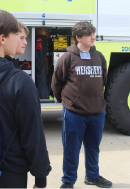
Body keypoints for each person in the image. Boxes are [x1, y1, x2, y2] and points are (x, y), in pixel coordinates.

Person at [51, 22, 112, 188]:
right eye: (88, 34)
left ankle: (92, 176)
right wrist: (68, 103)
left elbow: (103, 80)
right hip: (74, 113)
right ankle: (68, 181)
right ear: (78, 37)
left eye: (93, 33)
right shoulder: (67, 58)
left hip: (97, 112)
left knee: (93, 148)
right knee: (71, 149)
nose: (93, 37)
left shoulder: (99, 57)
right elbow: (56, 84)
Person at [0, 10, 51, 188]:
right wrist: (41, 177)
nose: (22, 41)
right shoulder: (20, 82)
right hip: (9, 175)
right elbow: (33, 135)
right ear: (2, 39)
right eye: (17, 35)